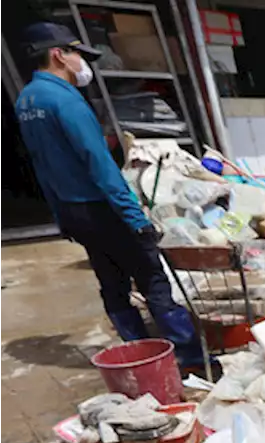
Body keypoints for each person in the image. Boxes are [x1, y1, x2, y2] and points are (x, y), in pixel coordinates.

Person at [15, 23, 202, 369]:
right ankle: (190, 358)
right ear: (59, 55)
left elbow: (41, 165)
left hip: (75, 212)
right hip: (102, 207)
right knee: (153, 280)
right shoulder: (64, 99)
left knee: (112, 283)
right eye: (77, 54)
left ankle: (138, 357)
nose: (82, 63)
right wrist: (135, 218)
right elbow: (99, 163)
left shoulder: (26, 100)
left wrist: (60, 215)